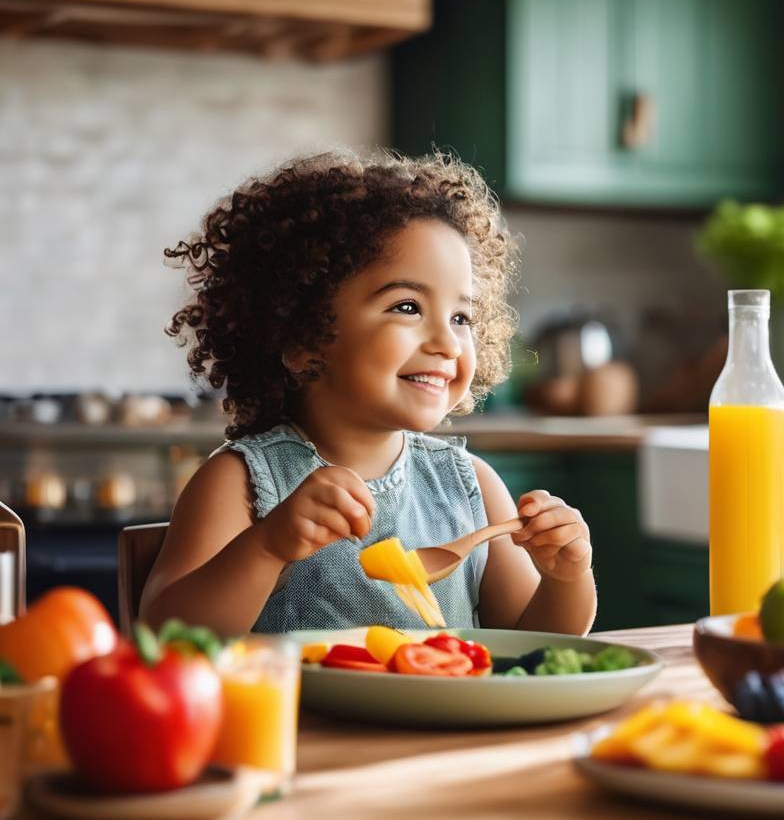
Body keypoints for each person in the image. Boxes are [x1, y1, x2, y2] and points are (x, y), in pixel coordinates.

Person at [140, 151, 596, 638]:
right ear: (301, 337)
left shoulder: (470, 487)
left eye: (461, 317)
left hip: (447, 717)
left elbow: (535, 643)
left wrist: (566, 578)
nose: (446, 343)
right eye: (407, 306)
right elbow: (167, 634)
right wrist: (267, 547)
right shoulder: (242, 483)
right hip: (300, 718)